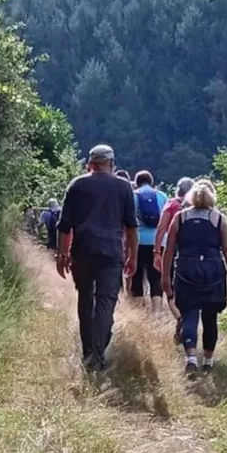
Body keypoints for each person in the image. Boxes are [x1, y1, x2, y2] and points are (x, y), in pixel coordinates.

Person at [56, 144, 138, 373]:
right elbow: (131, 226)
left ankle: (88, 352)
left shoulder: (77, 185)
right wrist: (132, 256)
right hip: (111, 253)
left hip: (82, 251)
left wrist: (62, 254)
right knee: (105, 303)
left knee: (85, 301)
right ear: (111, 163)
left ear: (90, 163)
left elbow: (64, 225)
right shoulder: (123, 187)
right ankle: (98, 354)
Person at [161, 178, 227, 379]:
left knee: (189, 314)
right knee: (210, 317)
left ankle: (191, 358)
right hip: (212, 271)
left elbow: (168, 251)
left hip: (186, 270)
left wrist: (165, 277)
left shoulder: (179, 218)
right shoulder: (219, 219)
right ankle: (208, 361)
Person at [154, 176, 195, 343]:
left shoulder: (172, 204)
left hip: (170, 250)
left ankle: (179, 318)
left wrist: (156, 250)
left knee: (168, 287)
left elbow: (161, 227)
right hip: (189, 252)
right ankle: (188, 319)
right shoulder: (196, 206)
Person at [131, 170, 168, 311]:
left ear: (136, 182)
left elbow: (128, 222)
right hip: (158, 242)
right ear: (151, 182)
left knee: (137, 273)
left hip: (138, 241)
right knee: (156, 275)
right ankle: (157, 311)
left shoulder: (133, 196)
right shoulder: (162, 195)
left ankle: (139, 311)